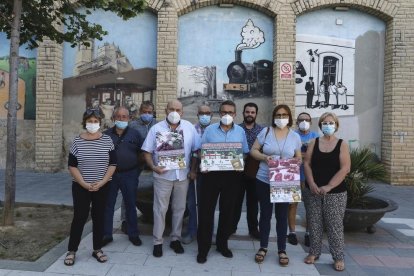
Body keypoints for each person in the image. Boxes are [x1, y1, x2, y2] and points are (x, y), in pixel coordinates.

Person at [141, 99, 200, 258]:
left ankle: (175, 239)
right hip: (162, 175)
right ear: (166, 110)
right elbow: (146, 151)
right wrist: (153, 167)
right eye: (171, 109)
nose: (175, 112)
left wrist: (193, 170)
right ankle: (157, 242)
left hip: (183, 175)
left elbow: (196, 150)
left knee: (179, 209)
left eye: (178, 109)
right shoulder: (155, 128)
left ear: (182, 112)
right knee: (160, 209)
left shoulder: (189, 127)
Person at [196, 100, 249, 264]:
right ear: (219, 113)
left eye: (230, 112)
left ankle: (222, 244)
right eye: (224, 112)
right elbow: (200, 151)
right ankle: (203, 249)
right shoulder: (210, 130)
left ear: (235, 114)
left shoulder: (240, 131)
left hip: (232, 177)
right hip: (211, 176)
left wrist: (240, 162)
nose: (227, 115)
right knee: (206, 212)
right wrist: (203, 162)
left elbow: (245, 152)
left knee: (228, 211)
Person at [250, 104, 301, 266]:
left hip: (285, 179)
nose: (281, 118)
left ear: (289, 117)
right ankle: (263, 247)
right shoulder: (265, 132)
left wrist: (297, 161)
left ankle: (282, 249)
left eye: (284, 115)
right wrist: (265, 157)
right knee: (265, 214)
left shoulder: (294, 136)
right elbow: (254, 150)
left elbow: (298, 156)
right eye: (278, 115)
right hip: (264, 179)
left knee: (281, 215)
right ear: (273, 117)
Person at [64, 108, 117, 266]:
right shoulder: (77, 141)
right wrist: (84, 184)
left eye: (95, 121)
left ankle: (97, 249)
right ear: (84, 122)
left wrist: (101, 183)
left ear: (100, 123)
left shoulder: (107, 141)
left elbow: (113, 164)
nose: (92, 124)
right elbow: (72, 166)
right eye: (89, 121)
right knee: (79, 217)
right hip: (81, 186)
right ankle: (72, 251)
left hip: (102, 186)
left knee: (99, 217)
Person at [303, 112, 350, 272]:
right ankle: (314, 252)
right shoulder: (313, 142)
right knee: (314, 223)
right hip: (313, 190)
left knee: (334, 225)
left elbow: (345, 168)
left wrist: (329, 186)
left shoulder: (342, 144)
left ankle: (338, 256)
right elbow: (307, 163)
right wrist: (312, 183)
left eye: (331, 123)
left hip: (335, 192)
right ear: (320, 125)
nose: (327, 125)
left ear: (336, 125)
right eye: (324, 122)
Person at [102, 107, 144, 247]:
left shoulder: (135, 134)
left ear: (129, 118)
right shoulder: (105, 135)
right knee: (108, 205)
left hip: (130, 174)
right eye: (118, 116)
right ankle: (106, 234)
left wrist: (136, 170)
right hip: (110, 175)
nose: (121, 119)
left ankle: (133, 234)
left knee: (130, 204)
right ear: (114, 118)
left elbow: (142, 154)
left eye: (124, 116)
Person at [121, 100, 156, 233]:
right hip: (137, 161)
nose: (147, 114)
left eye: (150, 112)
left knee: (158, 187)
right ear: (140, 112)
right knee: (128, 188)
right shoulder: (132, 126)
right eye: (144, 112)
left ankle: (153, 214)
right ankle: (125, 219)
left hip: (154, 161)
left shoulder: (158, 124)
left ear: (153, 113)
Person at [182, 105, 213, 244]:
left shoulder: (215, 130)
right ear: (197, 115)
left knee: (209, 205)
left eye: (207, 113)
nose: (204, 116)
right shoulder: (191, 129)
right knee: (192, 204)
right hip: (194, 173)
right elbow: (193, 151)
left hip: (212, 174)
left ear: (212, 115)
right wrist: (193, 170)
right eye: (202, 113)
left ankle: (208, 233)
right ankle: (192, 231)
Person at [287, 112, 319, 246]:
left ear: (311, 122)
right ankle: (292, 233)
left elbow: (316, 156)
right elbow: (290, 155)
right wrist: (305, 155)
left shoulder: (315, 137)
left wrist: (300, 155)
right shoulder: (292, 135)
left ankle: (308, 233)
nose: (304, 122)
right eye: (301, 120)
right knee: (292, 205)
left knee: (310, 207)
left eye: (306, 120)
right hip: (293, 176)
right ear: (296, 122)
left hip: (310, 177)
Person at [232, 102, 263, 239]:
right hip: (236, 171)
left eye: (252, 112)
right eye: (247, 112)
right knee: (235, 201)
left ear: (256, 114)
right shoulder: (236, 129)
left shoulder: (262, 131)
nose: (249, 114)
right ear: (243, 113)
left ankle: (253, 229)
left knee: (253, 202)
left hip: (254, 170)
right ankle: (231, 227)